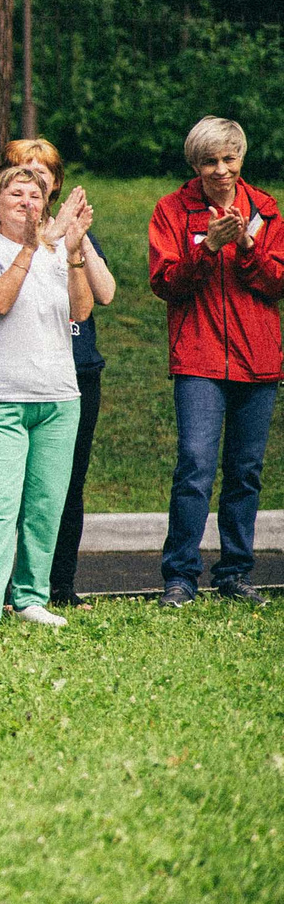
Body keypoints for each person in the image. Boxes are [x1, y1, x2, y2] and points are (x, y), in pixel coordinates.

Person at [146, 115, 283, 608]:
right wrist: (208, 248)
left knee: (245, 471)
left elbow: (278, 283)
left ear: (241, 158)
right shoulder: (171, 211)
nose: (221, 170)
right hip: (199, 359)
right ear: (195, 165)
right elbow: (166, 284)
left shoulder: (265, 209)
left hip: (259, 360)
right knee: (195, 466)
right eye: (209, 161)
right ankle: (180, 577)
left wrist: (245, 244)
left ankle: (235, 573)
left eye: (229, 159)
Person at [0, 164, 92, 632]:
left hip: (57, 395)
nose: (28, 203)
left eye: (36, 197)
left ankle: (31, 597)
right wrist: (32, 249)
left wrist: (71, 255)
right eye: (17, 194)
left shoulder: (56, 252)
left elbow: (82, 310)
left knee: (45, 504)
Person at [4, 135, 120, 606]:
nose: (35, 175)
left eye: (43, 169)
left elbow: (105, 295)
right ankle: (14, 586)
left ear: (55, 182)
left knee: (68, 484)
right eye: (23, 168)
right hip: (20, 373)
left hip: (76, 371)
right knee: (16, 485)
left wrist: (79, 241)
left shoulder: (79, 232)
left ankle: (61, 585)